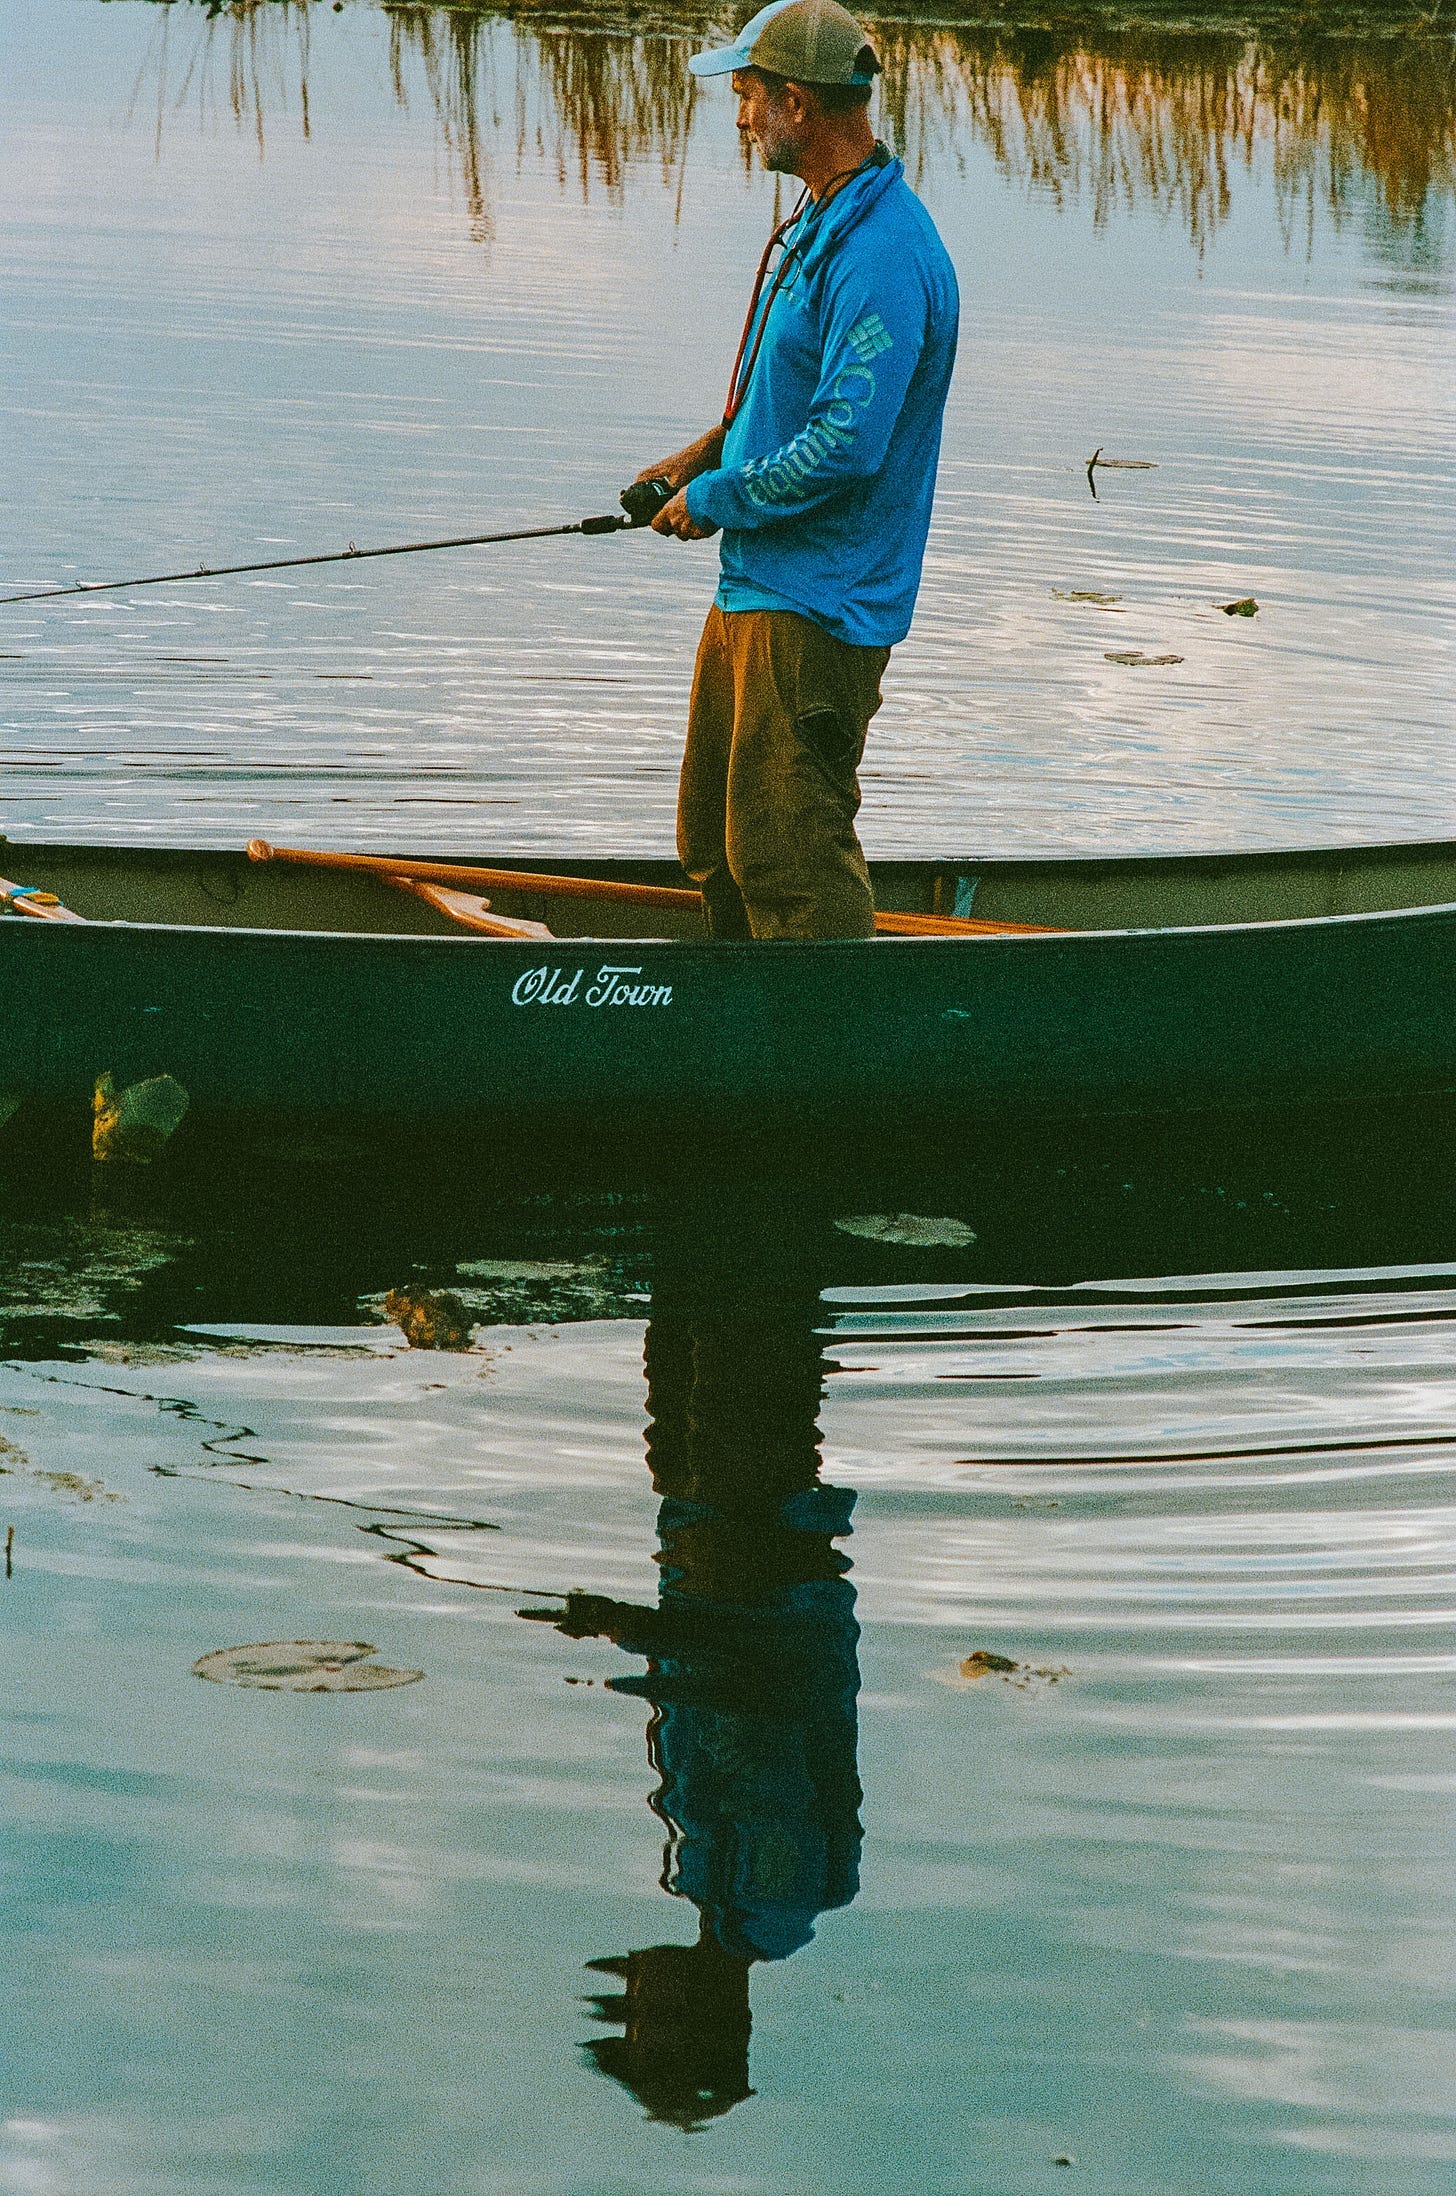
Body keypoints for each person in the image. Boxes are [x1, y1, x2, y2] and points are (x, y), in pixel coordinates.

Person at [637, 0, 959, 942]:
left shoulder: (885, 254)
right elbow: (781, 403)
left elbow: (845, 446)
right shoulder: (823, 223)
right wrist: (696, 460)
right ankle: (736, 1060)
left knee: (789, 858)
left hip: (819, 609)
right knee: (715, 843)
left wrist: (718, 498)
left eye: (746, 97)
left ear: (798, 103)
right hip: (757, 588)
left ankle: (829, 1072)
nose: (739, 118)